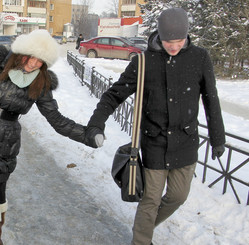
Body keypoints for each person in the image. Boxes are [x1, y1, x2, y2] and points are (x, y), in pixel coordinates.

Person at [0, 29, 100, 245]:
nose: (35, 63)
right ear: (22, 52)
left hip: (5, 141)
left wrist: (87, 136)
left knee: (0, 195)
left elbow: (57, 120)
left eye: (41, 61)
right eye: (32, 56)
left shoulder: (40, 84)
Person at [84, 8, 226, 245]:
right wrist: (96, 124)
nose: (174, 46)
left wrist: (218, 138)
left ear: (187, 36)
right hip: (154, 142)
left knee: (178, 196)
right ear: (159, 36)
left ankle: (143, 226)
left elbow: (211, 99)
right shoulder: (143, 61)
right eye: (169, 41)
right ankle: (142, 240)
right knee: (150, 199)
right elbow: (113, 95)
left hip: (185, 142)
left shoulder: (199, 58)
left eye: (179, 40)